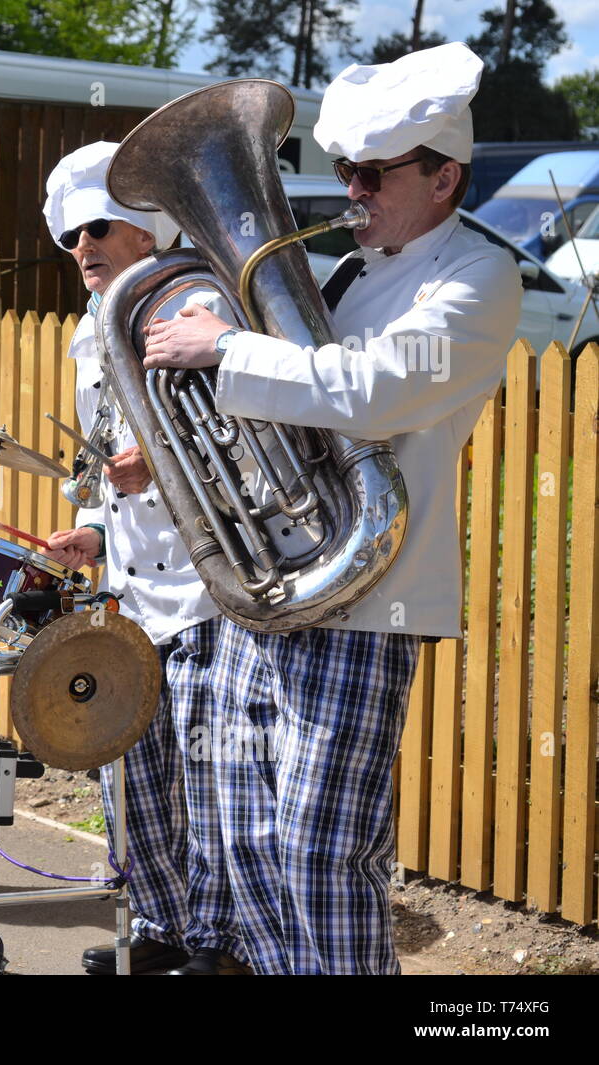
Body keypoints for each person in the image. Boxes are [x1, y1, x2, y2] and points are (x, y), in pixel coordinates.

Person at [141, 43, 522, 974]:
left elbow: (371, 392)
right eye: (344, 167)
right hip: (267, 588)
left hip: (367, 595)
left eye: (371, 173)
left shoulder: (476, 277)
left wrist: (226, 351)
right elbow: (281, 409)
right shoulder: (344, 271)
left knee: (318, 852)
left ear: (445, 178)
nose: (349, 188)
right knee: (243, 840)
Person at [41, 142, 250, 975]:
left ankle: (215, 941)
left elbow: (238, 441)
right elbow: (104, 455)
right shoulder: (92, 329)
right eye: (71, 236)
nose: (84, 245)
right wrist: (92, 526)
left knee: (203, 780)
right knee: (131, 768)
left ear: (144, 232)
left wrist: (157, 469)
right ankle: (160, 925)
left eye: (100, 227)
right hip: (129, 582)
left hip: (204, 584)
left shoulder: (190, 301)